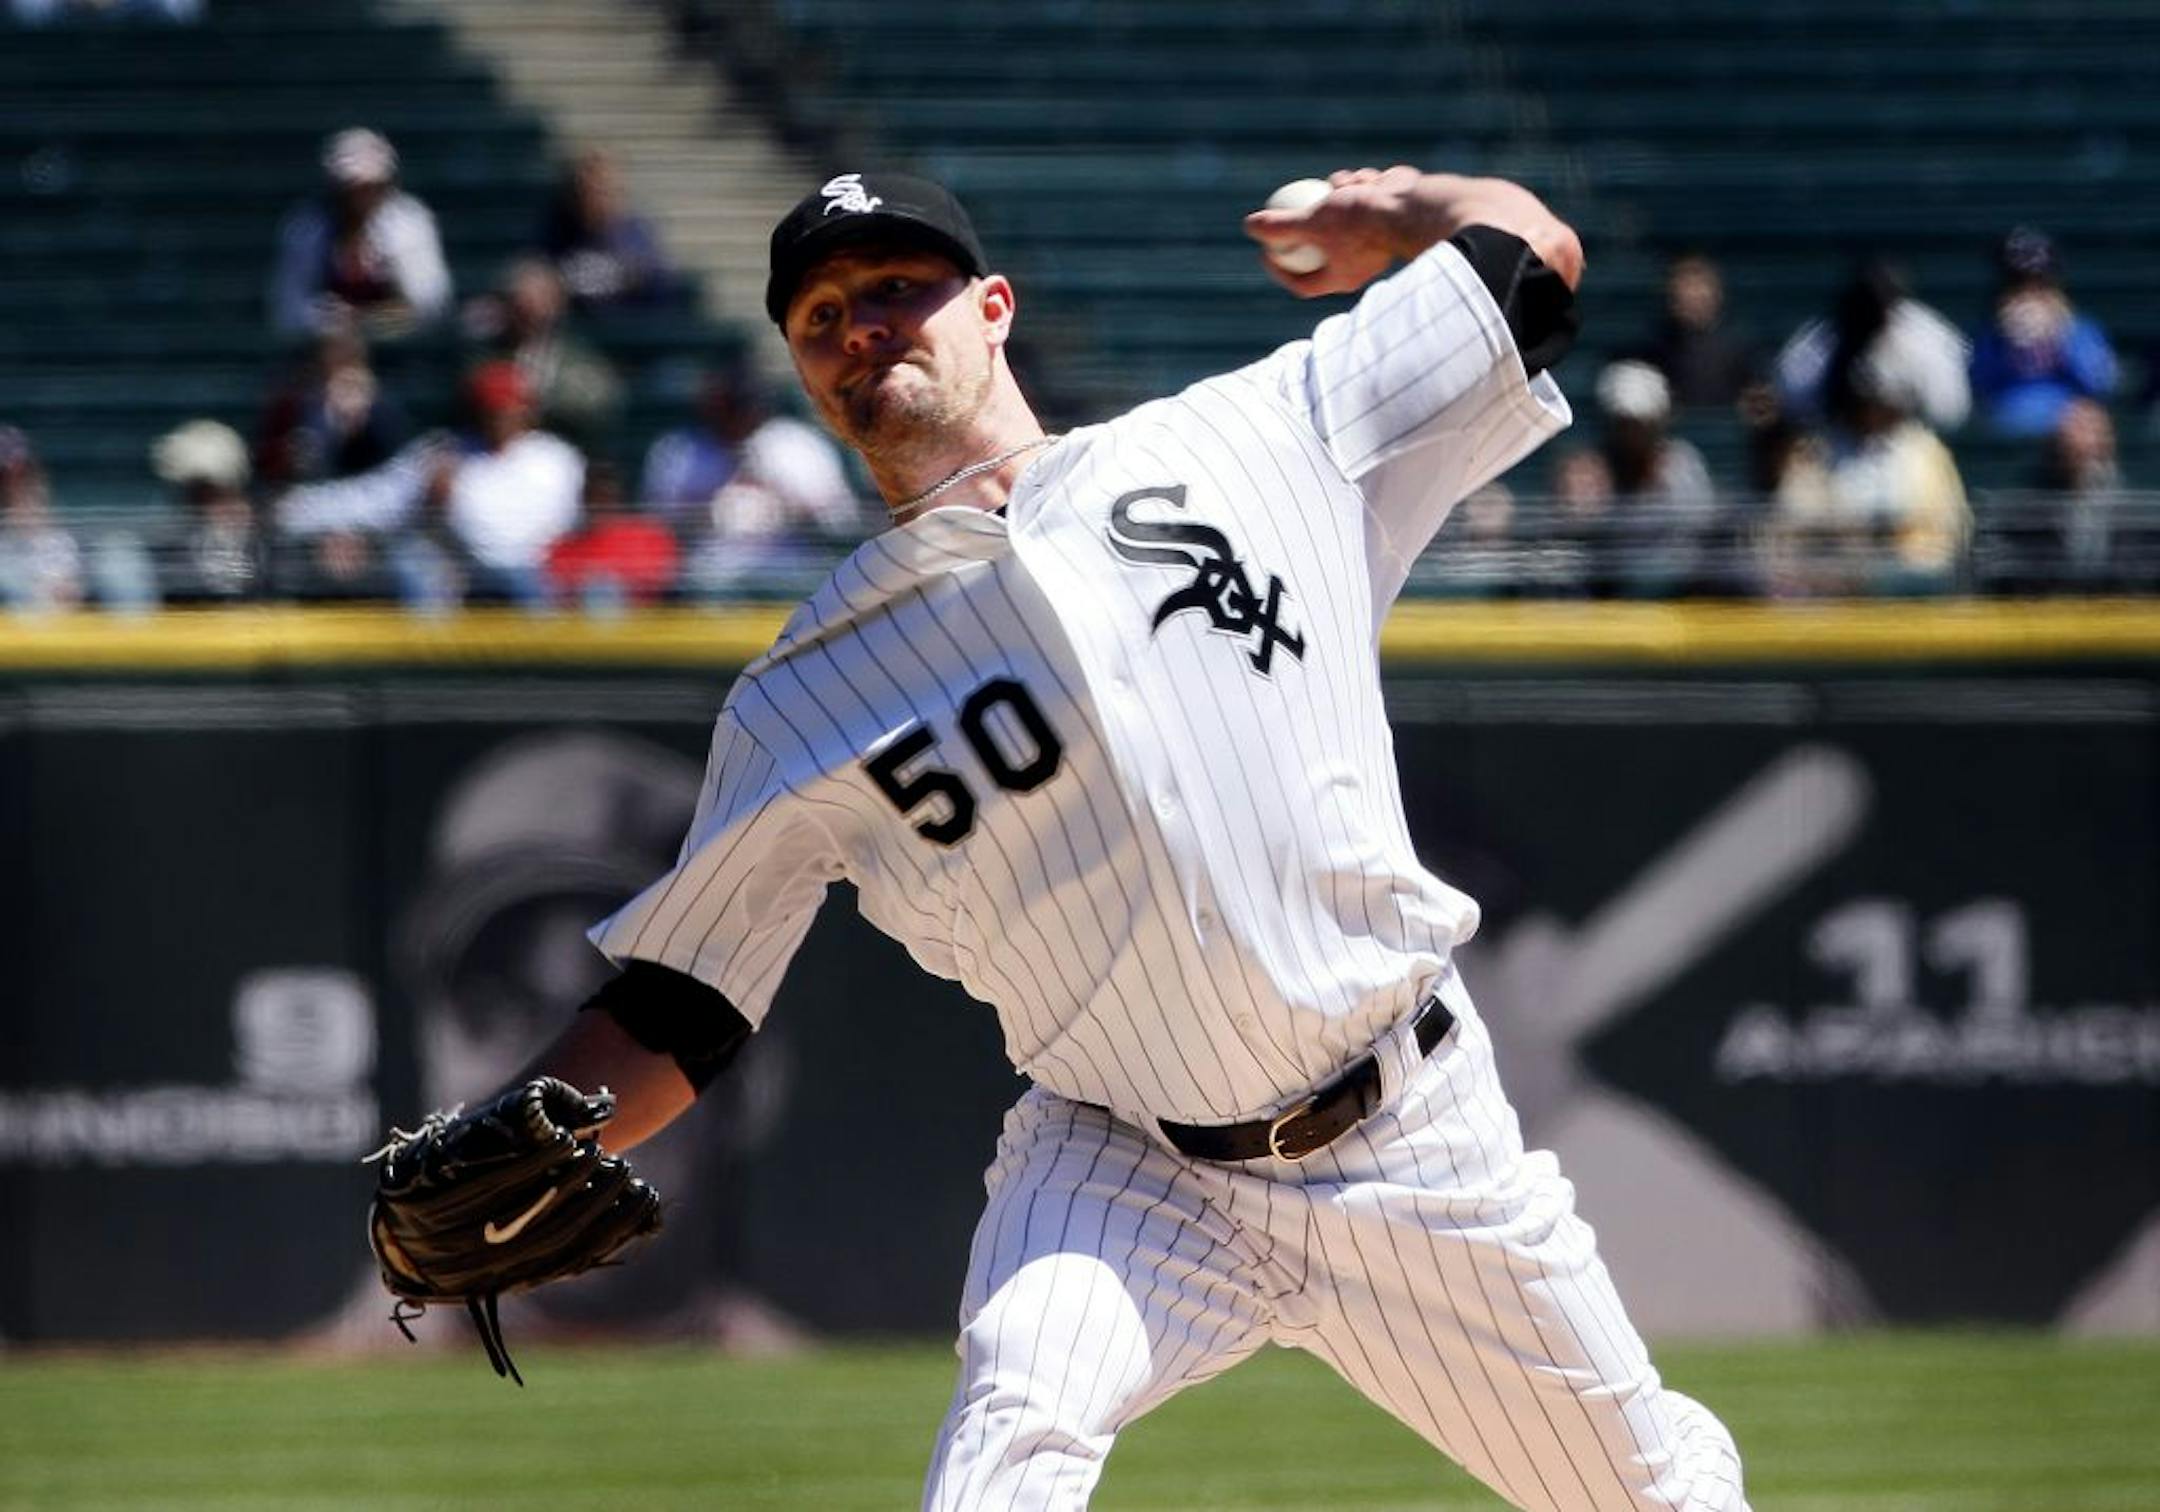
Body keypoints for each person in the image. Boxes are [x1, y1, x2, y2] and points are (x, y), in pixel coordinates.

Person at [387, 166, 1749, 1509]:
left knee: (1649, 1498)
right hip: (1127, 1162)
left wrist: (1391, 210)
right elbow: (682, 1004)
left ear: (993, 307)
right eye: (821, 315)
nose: (860, 324)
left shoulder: (1258, 436)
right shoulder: (807, 694)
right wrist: (521, 1130)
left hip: (1412, 1135)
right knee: (1011, 1427)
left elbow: (1531, 263)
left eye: (897, 288)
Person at [278, 362, 584, 608]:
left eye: (508, 410)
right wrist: (294, 508)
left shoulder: (554, 459)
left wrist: (451, 505)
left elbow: (510, 544)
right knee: (411, 562)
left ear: (526, 411)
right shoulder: (446, 452)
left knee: (526, 580)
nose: (499, 419)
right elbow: (377, 498)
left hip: (535, 578)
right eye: (490, 411)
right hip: (463, 578)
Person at [269, 128, 452, 341]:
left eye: (371, 188)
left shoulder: (410, 223)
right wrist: (329, 321)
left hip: (405, 349)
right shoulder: (306, 227)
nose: (361, 197)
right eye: (352, 188)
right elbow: (287, 307)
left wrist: (378, 319)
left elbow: (431, 301)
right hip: (322, 351)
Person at [1774, 258, 1968, 435]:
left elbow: (1950, 411)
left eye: (1883, 302)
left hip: (1907, 445)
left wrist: (1898, 405)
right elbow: (1793, 402)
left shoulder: (1925, 336)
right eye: (1867, 304)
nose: (1876, 311)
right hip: (1837, 448)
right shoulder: (1820, 342)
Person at [1968, 227, 2118, 439]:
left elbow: (2100, 383)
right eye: (2019, 285)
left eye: (2039, 284)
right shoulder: (1989, 332)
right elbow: (1979, 385)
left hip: (2066, 431)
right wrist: (2004, 343)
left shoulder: (2081, 328)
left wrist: (2063, 334)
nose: (2029, 293)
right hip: (2003, 429)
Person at [463, 257, 624, 452]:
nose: (529, 311)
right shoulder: (488, 356)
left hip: (566, 453)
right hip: (496, 456)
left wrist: (534, 404)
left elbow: (599, 403)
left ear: (557, 303)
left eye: (538, 300)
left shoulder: (578, 359)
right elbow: (472, 393)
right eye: (519, 303)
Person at [539, 147, 689, 311]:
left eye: (607, 191)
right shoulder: (557, 231)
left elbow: (661, 286)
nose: (600, 199)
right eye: (591, 190)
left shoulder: (638, 235)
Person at [1634, 252, 1759, 410]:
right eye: (1684, 285)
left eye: (1699, 285)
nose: (1691, 295)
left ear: (1716, 293)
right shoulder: (1652, 352)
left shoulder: (1739, 351)